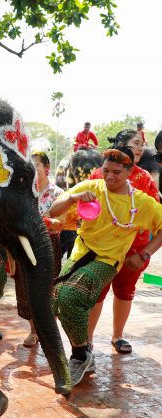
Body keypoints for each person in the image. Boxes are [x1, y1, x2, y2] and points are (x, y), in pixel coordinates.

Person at [50, 146, 162, 386]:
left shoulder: (141, 202)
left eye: (117, 173)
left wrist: (144, 253)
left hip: (107, 261)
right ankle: (83, 351)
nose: (109, 177)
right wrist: (72, 197)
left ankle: (80, 355)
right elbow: (54, 210)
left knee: (70, 296)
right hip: (80, 253)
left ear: (130, 172)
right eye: (106, 170)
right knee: (55, 298)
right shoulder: (92, 187)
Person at [87, 130, 160, 354]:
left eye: (142, 145)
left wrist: (144, 253)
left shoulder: (145, 178)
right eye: (135, 143)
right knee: (97, 292)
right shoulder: (98, 175)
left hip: (133, 251)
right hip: (102, 250)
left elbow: (157, 218)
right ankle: (87, 341)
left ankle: (118, 336)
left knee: (125, 291)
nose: (140, 148)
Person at [15, 152, 63, 347]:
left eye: (36, 165)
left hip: (48, 245)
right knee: (25, 288)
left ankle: (49, 329)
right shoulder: (21, 191)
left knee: (48, 288)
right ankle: (34, 331)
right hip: (23, 244)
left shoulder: (58, 194)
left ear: (46, 168)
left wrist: (40, 223)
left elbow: (61, 223)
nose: (32, 169)